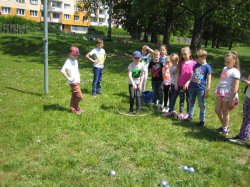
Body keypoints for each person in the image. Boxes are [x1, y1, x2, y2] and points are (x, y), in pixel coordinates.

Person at [164, 47, 196, 120]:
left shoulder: (194, 63)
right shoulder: (181, 63)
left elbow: (194, 74)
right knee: (180, 99)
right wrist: (176, 84)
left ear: (190, 54)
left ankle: (188, 114)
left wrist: (188, 82)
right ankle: (179, 113)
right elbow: (178, 73)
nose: (184, 56)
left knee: (188, 99)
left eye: (185, 54)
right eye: (182, 54)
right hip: (180, 85)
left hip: (189, 85)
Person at [214, 51, 240, 135]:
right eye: (225, 61)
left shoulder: (235, 72)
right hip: (221, 91)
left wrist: (232, 99)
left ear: (234, 61)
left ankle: (225, 129)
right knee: (217, 110)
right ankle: (225, 125)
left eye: (228, 62)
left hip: (228, 93)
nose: (226, 63)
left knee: (225, 111)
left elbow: (235, 87)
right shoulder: (225, 68)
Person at [186, 49, 212, 126]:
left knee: (201, 104)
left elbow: (209, 79)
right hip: (192, 87)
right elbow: (193, 75)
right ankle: (190, 116)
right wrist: (188, 82)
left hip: (201, 89)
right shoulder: (196, 65)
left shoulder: (207, 67)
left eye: (198, 57)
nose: (197, 59)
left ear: (204, 57)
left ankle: (201, 120)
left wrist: (207, 90)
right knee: (191, 102)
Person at [61, 46, 83, 115]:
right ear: (70, 54)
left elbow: (76, 71)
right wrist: (68, 78)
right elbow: (62, 71)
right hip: (73, 82)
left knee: (74, 96)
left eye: (77, 55)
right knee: (80, 96)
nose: (76, 57)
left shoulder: (75, 61)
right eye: (74, 55)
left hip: (77, 81)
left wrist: (78, 78)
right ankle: (76, 107)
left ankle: (73, 109)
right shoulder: (68, 61)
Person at [229, 74, 250, 143]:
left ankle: (243, 137)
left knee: (247, 118)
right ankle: (243, 135)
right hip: (248, 96)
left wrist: (247, 82)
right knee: (246, 117)